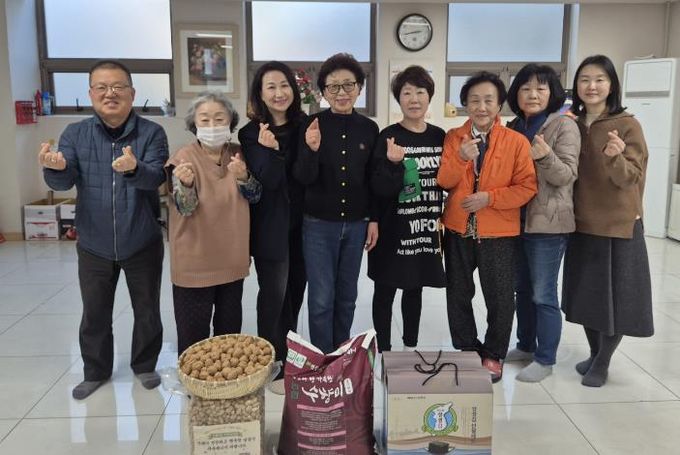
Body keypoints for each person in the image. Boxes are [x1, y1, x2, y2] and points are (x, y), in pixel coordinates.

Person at [39, 60, 168, 400]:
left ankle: (145, 365)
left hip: (141, 239)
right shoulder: (75, 133)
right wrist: (54, 168)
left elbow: (157, 177)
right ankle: (95, 371)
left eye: (118, 86)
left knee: (147, 310)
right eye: (102, 87)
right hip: (93, 242)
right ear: (91, 93)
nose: (110, 93)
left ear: (132, 93)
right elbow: (63, 180)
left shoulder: (152, 133)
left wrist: (134, 168)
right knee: (94, 312)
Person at [437, 71, 537, 382]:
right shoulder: (454, 137)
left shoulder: (516, 141)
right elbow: (444, 181)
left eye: (488, 100)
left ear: (499, 104)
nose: (481, 107)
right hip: (458, 229)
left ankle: (494, 353)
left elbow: (527, 187)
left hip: (499, 232)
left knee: (501, 297)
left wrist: (489, 198)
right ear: (465, 104)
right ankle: (467, 348)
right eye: (474, 100)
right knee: (458, 293)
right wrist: (460, 158)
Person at [562, 55, 653, 387]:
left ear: (611, 84)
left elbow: (631, 178)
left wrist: (615, 157)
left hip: (618, 225)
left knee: (616, 300)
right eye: (584, 79)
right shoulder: (571, 123)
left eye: (599, 79)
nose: (592, 86)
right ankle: (593, 353)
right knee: (587, 297)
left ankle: (603, 361)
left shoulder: (627, 125)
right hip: (580, 223)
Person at [293, 53, 379, 353]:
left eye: (348, 85)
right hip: (318, 225)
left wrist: (373, 219)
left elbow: (372, 179)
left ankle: (341, 355)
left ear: (359, 88)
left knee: (347, 297)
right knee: (321, 299)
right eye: (333, 87)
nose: (341, 92)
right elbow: (302, 177)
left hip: (356, 225)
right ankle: (322, 359)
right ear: (323, 92)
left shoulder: (369, 128)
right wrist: (311, 149)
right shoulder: (311, 124)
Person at [166, 91, 261, 357]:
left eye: (219, 119)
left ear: (230, 122)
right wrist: (185, 185)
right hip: (194, 263)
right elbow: (185, 208)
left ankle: (227, 380)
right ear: (194, 124)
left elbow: (255, 196)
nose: (212, 126)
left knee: (228, 338)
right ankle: (194, 380)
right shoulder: (183, 158)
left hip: (232, 260)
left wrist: (243, 177)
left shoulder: (239, 154)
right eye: (205, 119)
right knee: (193, 339)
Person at [504, 64, 580, 382]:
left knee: (543, 293)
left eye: (541, 88)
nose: (533, 94)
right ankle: (525, 345)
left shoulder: (563, 125)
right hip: (515, 222)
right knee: (521, 290)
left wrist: (545, 156)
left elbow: (566, 175)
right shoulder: (514, 126)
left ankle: (545, 358)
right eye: (525, 88)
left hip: (547, 225)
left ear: (552, 93)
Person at [369, 65, 446, 352]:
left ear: (430, 97)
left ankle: (410, 347)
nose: (414, 99)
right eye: (407, 93)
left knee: (415, 287)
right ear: (398, 99)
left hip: (424, 228)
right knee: (385, 289)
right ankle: (384, 350)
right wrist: (392, 163)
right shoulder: (388, 136)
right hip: (393, 227)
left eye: (420, 92)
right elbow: (377, 187)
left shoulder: (440, 137)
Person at [238, 61, 307, 378]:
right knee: (273, 295)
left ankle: (289, 350)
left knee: (296, 291)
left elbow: (306, 175)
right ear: (260, 94)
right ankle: (271, 358)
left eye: (284, 85)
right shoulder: (251, 133)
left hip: (305, 226)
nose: (279, 93)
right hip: (270, 226)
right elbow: (269, 180)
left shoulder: (306, 125)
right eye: (271, 87)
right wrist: (273, 151)